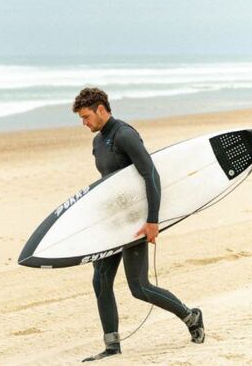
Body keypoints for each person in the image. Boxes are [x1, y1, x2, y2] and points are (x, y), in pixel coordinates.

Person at [72, 87, 205, 362]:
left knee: (139, 287)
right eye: (81, 118)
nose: (84, 122)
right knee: (100, 281)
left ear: (101, 109)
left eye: (86, 116)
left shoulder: (125, 135)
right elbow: (108, 184)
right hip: (113, 224)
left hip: (135, 223)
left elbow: (151, 175)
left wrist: (152, 221)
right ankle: (112, 347)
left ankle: (191, 316)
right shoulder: (98, 142)